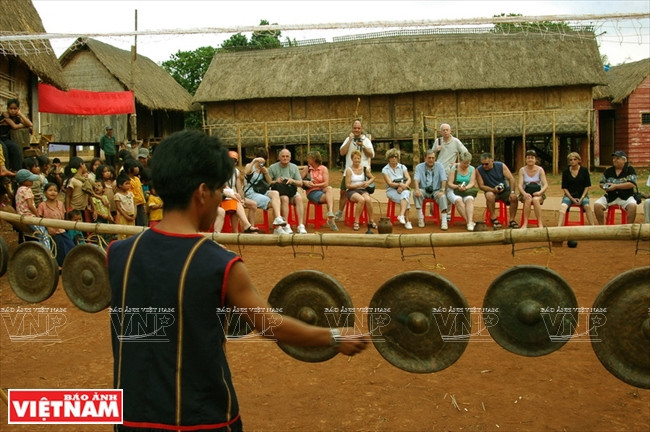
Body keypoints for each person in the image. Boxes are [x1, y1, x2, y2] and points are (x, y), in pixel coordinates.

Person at [106, 130, 367, 430]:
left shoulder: (118, 253)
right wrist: (334, 337)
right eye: (220, 190)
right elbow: (270, 326)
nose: (222, 197)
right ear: (203, 193)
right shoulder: (221, 264)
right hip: (199, 420)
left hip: (129, 419)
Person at [335, 119, 375, 221]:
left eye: (358, 128)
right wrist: (349, 140)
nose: (356, 130)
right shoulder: (348, 138)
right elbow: (342, 153)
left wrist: (363, 146)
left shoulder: (366, 140)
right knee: (343, 192)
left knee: (364, 193)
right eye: (355, 128)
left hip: (363, 172)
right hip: (349, 171)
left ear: (361, 129)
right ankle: (340, 213)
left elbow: (371, 155)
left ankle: (366, 216)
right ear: (352, 129)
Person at [243, 148, 287, 234]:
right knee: (275, 203)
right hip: (251, 192)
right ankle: (277, 228)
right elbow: (246, 172)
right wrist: (254, 161)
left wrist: (266, 173)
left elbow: (270, 182)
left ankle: (278, 218)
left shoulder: (263, 169)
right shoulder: (250, 166)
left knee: (275, 193)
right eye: (260, 159)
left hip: (260, 191)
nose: (261, 162)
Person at [268, 148, 307, 234]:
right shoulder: (272, 167)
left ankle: (300, 225)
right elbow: (268, 182)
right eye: (283, 156)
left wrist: (292, 180)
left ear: (290, 158)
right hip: (279, 192)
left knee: (299, 198)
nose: (285, 158)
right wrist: (276, 181)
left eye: (287, 156)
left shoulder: (294, 167)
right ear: (279, 157)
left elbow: (300, 183)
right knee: (285, 199)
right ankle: (286, 225)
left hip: (291, 190)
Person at [476, 153, 519, 229]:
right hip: (491, 190)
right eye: (482, 164)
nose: (484, 166)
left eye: (486, 164)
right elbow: (481, 186)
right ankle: (493, 218)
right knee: (489, 195)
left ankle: (512, 220)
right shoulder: (479, 170)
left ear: (492, 161)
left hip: (504, 190)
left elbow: (511, 179)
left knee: (514, 198)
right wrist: (493, 189)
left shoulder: (501, 165)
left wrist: (512, 192)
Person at [594, 151, 637, 224]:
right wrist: (606, 186)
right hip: (610, 196)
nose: (614, 160)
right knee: (597, 205)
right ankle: (601, 227)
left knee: (633, 206)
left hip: (626, 196)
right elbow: (601, 183)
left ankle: (629, 228)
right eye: (614, 158)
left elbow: (632, 184)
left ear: (624, 160)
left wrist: (616, 186)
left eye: (617, 158)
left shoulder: (630, 170)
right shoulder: (608, 171)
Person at [37, 183, 75, 267]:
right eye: (50, 190)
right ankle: (58, 266)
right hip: (49, 232)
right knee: (58, 248)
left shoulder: (60, 204)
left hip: (61, 230)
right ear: (45, 192)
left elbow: (63, 217)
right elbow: (39, 220)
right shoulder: (42, 205)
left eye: (55, 191)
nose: (53, 192)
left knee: (70, 245)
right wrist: (48, 228)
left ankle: (69, 265)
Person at [301, 150, 338, 231]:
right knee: (330, 197)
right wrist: (306, 182)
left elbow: (326, 183)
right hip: (312, 192)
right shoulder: (307, 169)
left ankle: (330, 213)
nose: (307, 160)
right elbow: (299, 180)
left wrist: (315, 185)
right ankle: (331, 218)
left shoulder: (323, 168)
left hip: (322, 189)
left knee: (329, 188)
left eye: (309, 158)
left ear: (314, 159)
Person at [14, 169, 51, 250]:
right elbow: (30, 206)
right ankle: (47, 253)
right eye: (30, 180)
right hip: (29, 217)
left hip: (21, 216)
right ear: (24, 181)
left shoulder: (19, 190)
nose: (32, 181)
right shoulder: (27, 190)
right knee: (44, 234)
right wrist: (37, 216)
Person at [413, 149, 449, 230]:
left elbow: (444, 179)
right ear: (425, 158)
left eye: (433, 158)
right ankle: (420, 218)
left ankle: (444, 221)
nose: (431, 160)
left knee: (443, 197)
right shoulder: (419, 167)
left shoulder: (440, 166)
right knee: (415, 193)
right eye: (429, 158)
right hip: (424, 189)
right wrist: (417, 189)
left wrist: (442, 190)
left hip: (436, 190)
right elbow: (416, 179)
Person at [557, 152, 596, 226]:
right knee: (563, 206)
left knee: (587, 206)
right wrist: (571, 198)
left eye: (575, 159)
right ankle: (558, 227)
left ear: (579, 160)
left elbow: (587, 186)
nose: (572, 161)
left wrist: (582, 198)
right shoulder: (565, 172)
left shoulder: (584, 171)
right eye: (570, 160)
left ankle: (593, 226)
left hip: (582, 195)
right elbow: (564, 187)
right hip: (569, 195)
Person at [382, 148, 413, 230]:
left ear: (398, 158)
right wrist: (399, 185)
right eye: (391, 157)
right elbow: (390, 183)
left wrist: (403, 187)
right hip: (391, 190)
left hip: (403, 189)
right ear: (388, 158)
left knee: (405, 194)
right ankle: (407, 220)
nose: (393, 159)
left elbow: (409, 179)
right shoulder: (385, 170)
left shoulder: (403, 167)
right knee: (406, 199)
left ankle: (401, 215)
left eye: (395, 157)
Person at [345, 149, 376, 231]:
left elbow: (373, 177)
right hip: (352, 191)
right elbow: (347, 185)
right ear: (352, 159)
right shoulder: (349, 170)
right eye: (355, 158)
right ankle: (356, 221)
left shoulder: (364, 169)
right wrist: (358, 185)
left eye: (358, 158)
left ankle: (371, 220)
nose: (357, 160)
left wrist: (367, 182)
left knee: (368, 199)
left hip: (362, 190)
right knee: (361, 200)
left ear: (360, 159)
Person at [516, 150, 548, 229]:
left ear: (535, 159)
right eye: (528, 158)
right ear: (526, 159)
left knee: (535, 200)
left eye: (532, 158)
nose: (530, 160)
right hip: (525, 193)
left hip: (538, 193)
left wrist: (540, 192)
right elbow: (519, 185)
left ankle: (540, 223)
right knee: (528, 199)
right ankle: (525, 223)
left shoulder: (540, 170)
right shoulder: (522, 170)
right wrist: (524, 194)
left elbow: (546, 184)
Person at [446, 151, 478, 231]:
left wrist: (466, 188)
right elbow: (450, 183)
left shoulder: (472, 169)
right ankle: (469, 222)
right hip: (454, 189)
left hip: (466, 189)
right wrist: (457, 186)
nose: (466, 165)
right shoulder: (454, 169)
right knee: (458, 200)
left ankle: (470, 222)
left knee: (469, 200)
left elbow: (472, 182)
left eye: (468, 163)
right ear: (460, 161)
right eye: (464, 163)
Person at [0, 98, 32, 171]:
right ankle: (6, 170)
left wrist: (20, 114)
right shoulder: (5, 116)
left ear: (18, 109)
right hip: (0, 139)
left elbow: (30, 124)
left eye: (15, 108)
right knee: (4, 149)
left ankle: (17, 170)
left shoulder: (16, 118)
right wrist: (25, 125)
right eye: (11, 108)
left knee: (15, 147)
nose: (13, 110)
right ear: (7, 108)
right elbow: (14, 126)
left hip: (5, 139)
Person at [64, 156, 95, 222]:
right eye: (84, 164)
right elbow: (68, 196)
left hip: (84, 209)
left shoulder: (85, 180)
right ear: (81, 165)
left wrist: (93, 208)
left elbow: (89, 195)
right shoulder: (73, 180)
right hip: (74, 210)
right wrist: (67, 211)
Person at [114, 172, 136, 240]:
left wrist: (134, 215)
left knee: (131, 233)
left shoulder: (131, 194)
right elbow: (119, 207)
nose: (129, 185)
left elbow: (135, 204)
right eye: (126, 183)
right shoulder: (117, 195)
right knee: (123, 233)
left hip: (132, 216)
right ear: (120, 185)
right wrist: (126, 216)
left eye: (129, 183)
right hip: (123, 217)